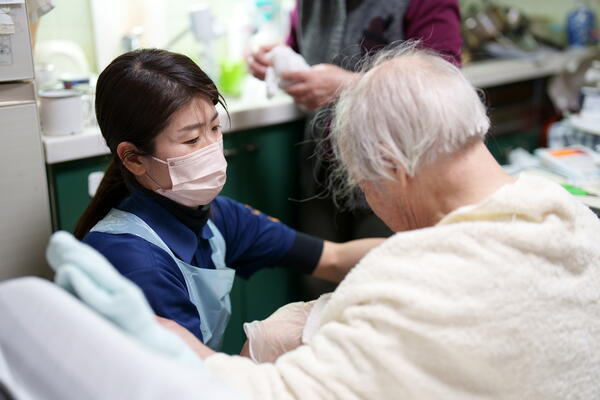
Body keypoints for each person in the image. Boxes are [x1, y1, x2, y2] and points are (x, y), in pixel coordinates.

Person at [155, 44, 600, 399]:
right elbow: (337, 260)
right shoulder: (573, 217)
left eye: (364, 183)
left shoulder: (413, 283)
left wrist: (190, 351)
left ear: (392, 167)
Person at [74, 48, 382, 351]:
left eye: (214, 127)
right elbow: (186, 381)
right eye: (192, 139)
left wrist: (421, 250)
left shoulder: (214, 217)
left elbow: (333, 259)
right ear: (134, 158)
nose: (212, 148)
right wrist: (261, 352)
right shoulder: (137, 263)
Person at [247, 0, 463, 242]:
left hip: (400, 174)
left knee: (387, 272)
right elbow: (299, 49)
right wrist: (276, 60)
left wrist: (348, 85)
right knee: (320, 276)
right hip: (323, 171)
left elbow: (445, 85)